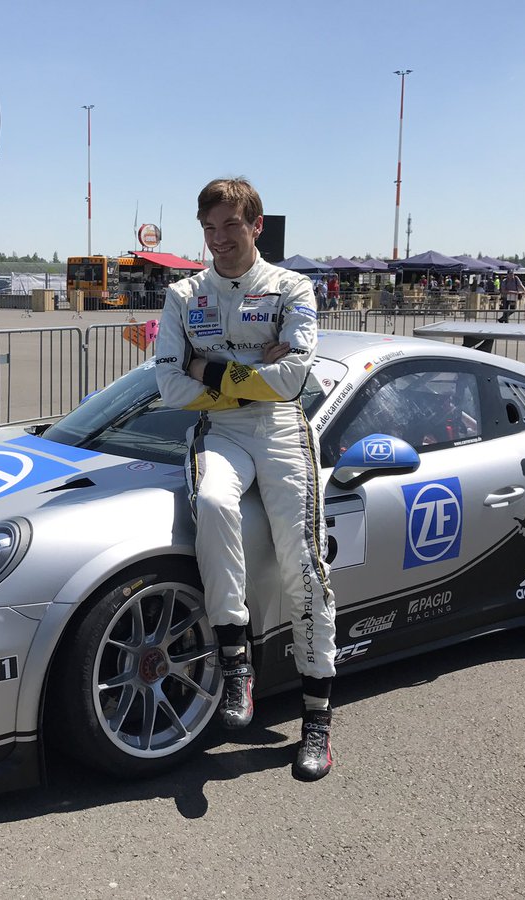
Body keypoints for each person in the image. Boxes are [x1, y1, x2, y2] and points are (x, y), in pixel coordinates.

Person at [155, 177, 337, 782]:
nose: (218, 239)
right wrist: (253, 368)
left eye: (231, 225)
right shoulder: (184, 295)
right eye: (209, 228)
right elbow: (170, 387)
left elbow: (290, 385)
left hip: (284, 432)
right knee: (213, 502)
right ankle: (237, 664)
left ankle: (317, 719)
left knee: (304, 566)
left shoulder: (293, 287)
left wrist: (209, 366)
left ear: (256, 226)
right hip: (221, 433)